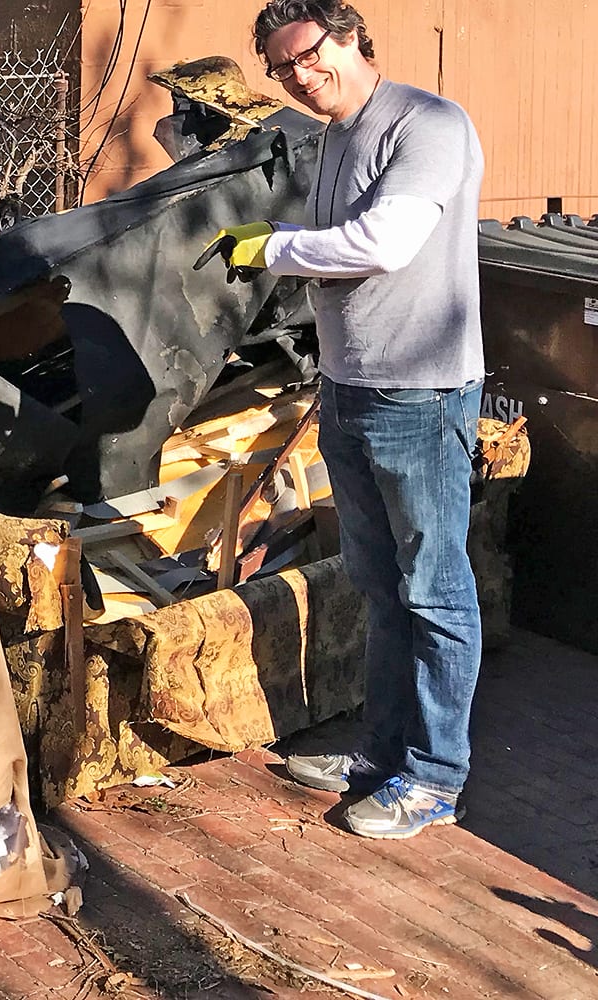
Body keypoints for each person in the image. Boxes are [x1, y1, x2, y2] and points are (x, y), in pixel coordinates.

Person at [202, 0, 485, 840]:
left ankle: (435, 779)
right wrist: (285, 234)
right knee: (380, 586)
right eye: (280, 67)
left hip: (422, 393)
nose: (296, 74)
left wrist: (273, 246)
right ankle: (381, 754)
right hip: (351, 385)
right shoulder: (331, 139)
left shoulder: (429, 123)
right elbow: (336, 245)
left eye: (307, 54)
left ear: (352, 37)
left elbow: (384, 242)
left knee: (435, 589)